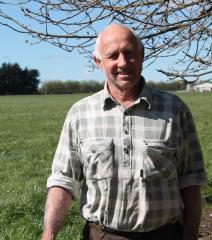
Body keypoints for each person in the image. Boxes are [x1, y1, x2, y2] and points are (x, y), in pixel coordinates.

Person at [41, 24, 207, 240]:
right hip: (103, 235)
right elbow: (63, 181)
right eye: (113, 55)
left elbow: (191, 181)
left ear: (142, 55)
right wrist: (49, 234)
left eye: (129, 53)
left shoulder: (175, 109)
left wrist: (191, 235)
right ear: (98, 62)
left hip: (165, 234)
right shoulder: (80, 113)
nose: (123, 62)